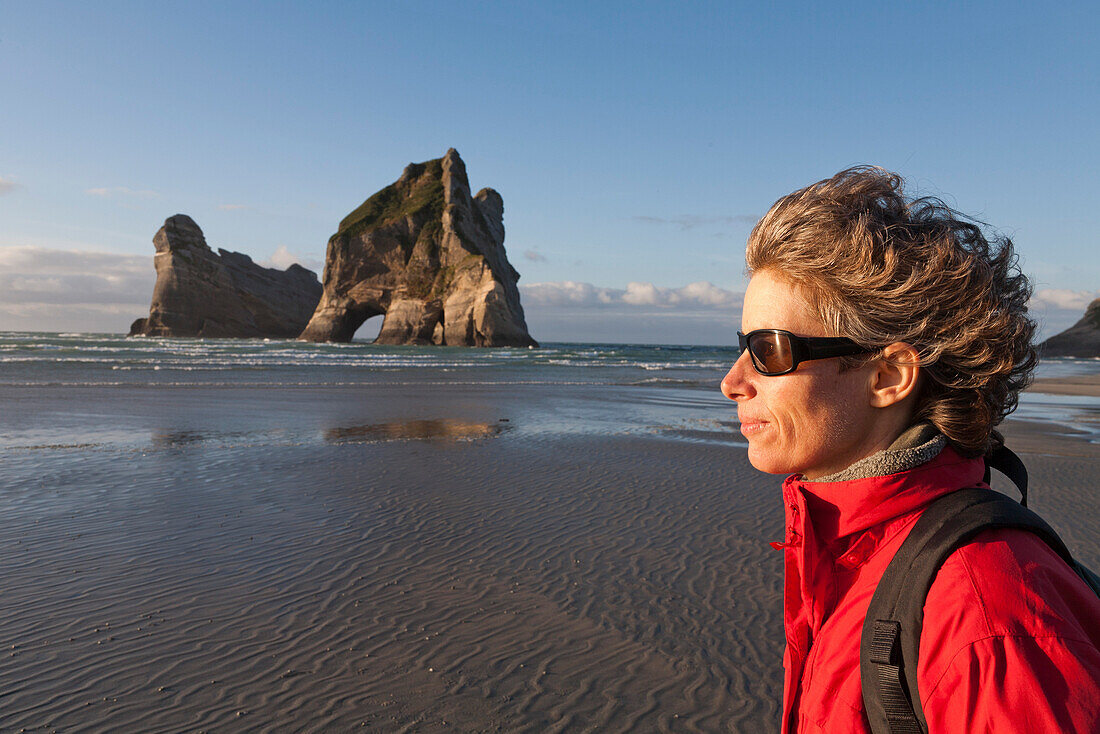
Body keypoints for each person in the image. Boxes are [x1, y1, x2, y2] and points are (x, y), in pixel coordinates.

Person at [719, 167, 1100, 733]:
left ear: (889, 375)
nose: (731, 381)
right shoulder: (847, 550)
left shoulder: (986, 610)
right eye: (741, 347)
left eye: (769, 350)